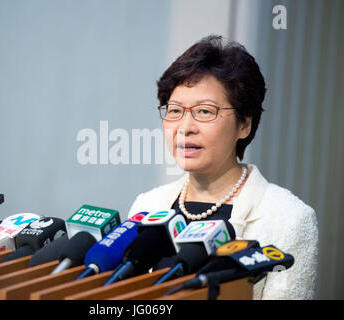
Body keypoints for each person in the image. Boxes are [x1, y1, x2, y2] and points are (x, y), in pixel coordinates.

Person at [127, 35, 318, 300]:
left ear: (244, 125)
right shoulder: (146, 205)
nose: (185, 127)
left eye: (205, 111)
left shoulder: (289, 220)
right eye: (174, 110)